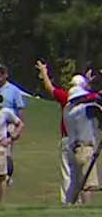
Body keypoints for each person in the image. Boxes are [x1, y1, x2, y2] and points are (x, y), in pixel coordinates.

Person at [36, 61, 85, 203]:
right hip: (83, 140)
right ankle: (79, 201)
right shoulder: (88, 100)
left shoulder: (66, 98)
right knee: (81, 172)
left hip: (67, 139)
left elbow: (49, 88)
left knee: (67, 173)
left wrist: (44, 72)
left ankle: (67, 201)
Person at [63, 80, 100, 205]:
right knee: (87, 185)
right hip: (85, 149)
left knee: (76, 183)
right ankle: (86, 207)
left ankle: (70, 205)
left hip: (73, 149)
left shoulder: (68, 110)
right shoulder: (84, 109)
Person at [0, 64, 28, 182]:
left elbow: (20, 109)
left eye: (2, 73)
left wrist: (19, 128)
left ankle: (6, 176)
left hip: (9, 123)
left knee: (6, 150)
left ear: (6, 74)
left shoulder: (13, 90)